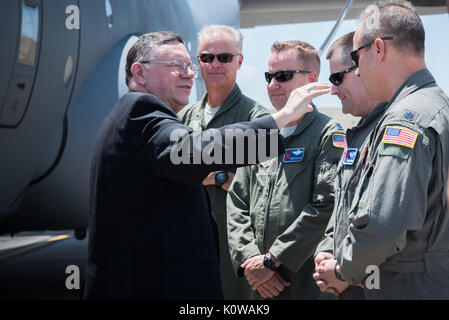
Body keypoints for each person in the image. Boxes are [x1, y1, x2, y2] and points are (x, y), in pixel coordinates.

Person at [83, 31, 330, 299]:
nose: (190, 74)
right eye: (176, 66)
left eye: (189, 66)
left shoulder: (143, 118)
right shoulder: (139, 111)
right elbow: (194, 151)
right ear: (140, 73)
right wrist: (280, 119)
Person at [313, 0, 449, 299]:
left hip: (404, 287)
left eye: (356, 58)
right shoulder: (436, 106)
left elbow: (384, 224)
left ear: (378, 49)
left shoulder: (405, 120)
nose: (358, 71)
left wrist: (341, 271)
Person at [227, 40, 345, 300]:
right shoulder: (261, 133)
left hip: (304, 284)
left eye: (283, 76)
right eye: (270, 76)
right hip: (259, 285)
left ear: (311, 79)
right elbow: (236, 201)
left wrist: (273, 259)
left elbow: (327, 205)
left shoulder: (328, 134)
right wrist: (251, 262)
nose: (272, 85)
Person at [177, 25, 270, 299]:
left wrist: (217, 177)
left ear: (239, 61)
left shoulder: (257, 119)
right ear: (198, 61)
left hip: (236, 248)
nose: (215, 64)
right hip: (190, 242)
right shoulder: (185, 118)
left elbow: (265, 192)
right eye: (207, 57)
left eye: (224, 57)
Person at [313, 31, 387, 300]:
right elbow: (341, 208)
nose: (332, 90)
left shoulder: (391, 130)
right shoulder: (356, 134)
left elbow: (386, 222)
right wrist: (326, 251)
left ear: (361, 69)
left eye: (336, 78)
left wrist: (343, 271)